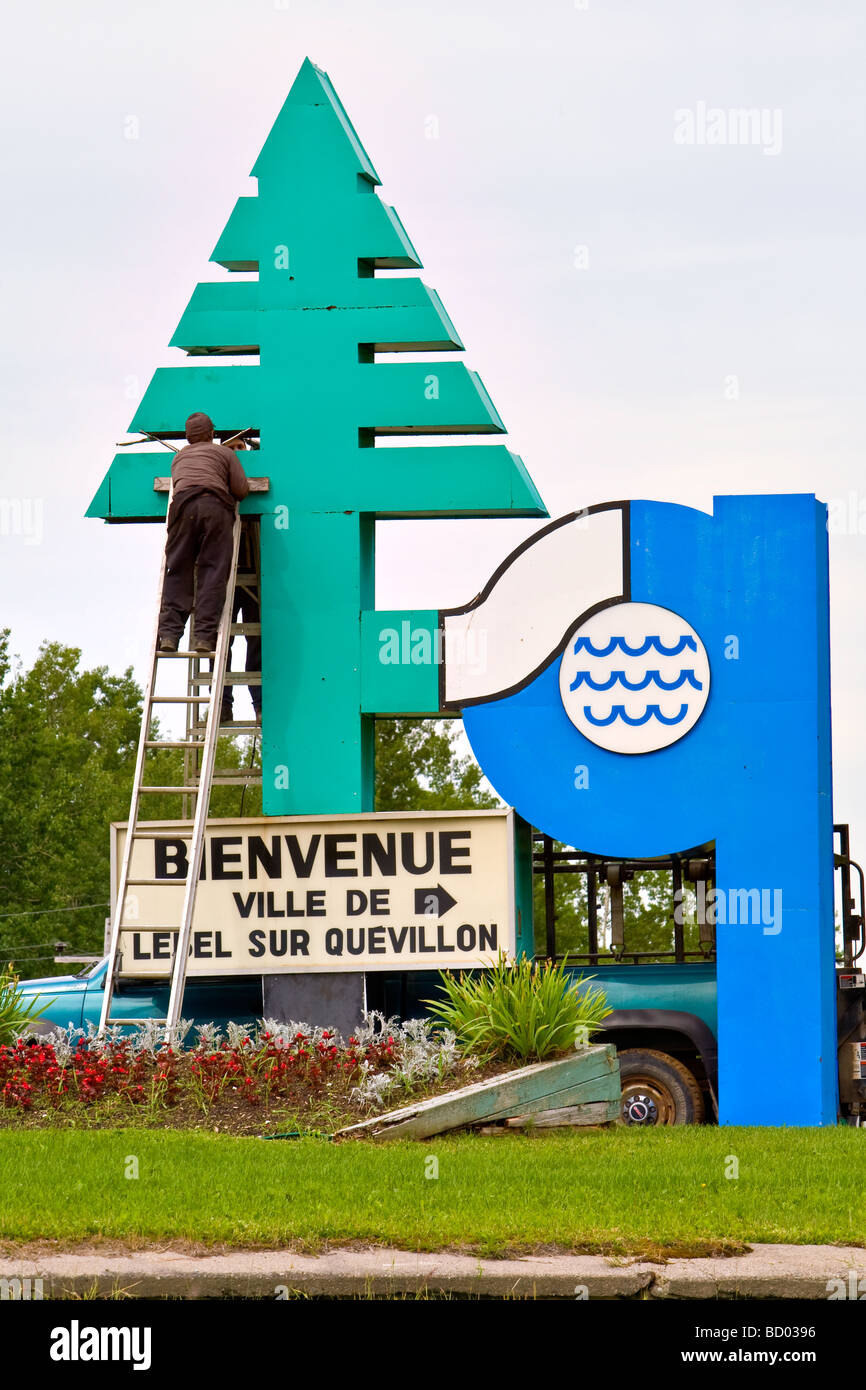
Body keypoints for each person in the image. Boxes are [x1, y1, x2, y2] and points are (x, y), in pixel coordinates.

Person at [157, 413, 250, 653]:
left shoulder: (178, 459)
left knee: (177, 570)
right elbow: (241, 490)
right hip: (214, 509)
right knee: (213, 573)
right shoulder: (225, 454)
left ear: (188, 437)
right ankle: (204, 638)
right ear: (211, 434)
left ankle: (168, 635)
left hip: (182, 509)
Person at [218, 436, 262, 725]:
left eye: (240, 448)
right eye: (230, 449)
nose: (236, 454)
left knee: (258, 640)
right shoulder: (216, 476)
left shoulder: (257, 474)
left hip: (257, 571)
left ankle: (260, 704)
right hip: (223, 574)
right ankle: (222, 704)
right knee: (222, 642)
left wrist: (258, 447)